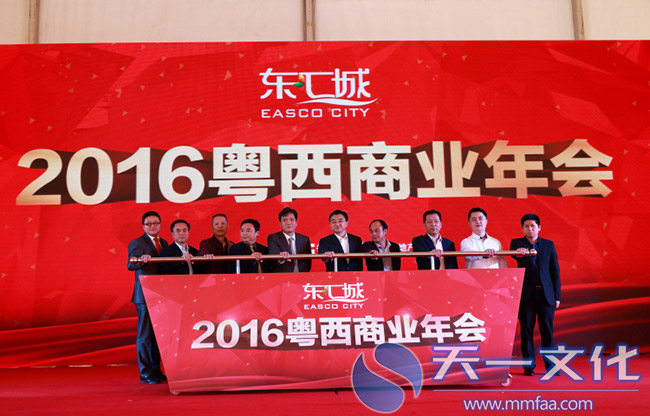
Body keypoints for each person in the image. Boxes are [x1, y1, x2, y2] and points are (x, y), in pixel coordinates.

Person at [511, 213, 561, 376]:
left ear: (539, 227)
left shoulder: (548, 245)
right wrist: (518, 251)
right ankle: (529, 367)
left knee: (547, 330)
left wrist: (557, 296)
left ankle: (551, 366)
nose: (530, 229)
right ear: (522, 228)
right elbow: (513, 254)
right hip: (526, 296)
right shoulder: (517, 243)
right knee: (526, 330)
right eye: (526, 226)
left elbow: (555, 271)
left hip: (546, 295)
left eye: (533, 225)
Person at [126, 211, 168, 384]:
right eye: (149, 223)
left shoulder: (164, 243)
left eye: (156, 223)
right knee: (144, 337)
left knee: (157, 337)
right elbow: (130, 264)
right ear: (143, 226)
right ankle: (145, 373)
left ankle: (155, 370)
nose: (153, 226)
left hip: (160, 296)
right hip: (144, 296)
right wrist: (142, 260)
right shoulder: (137, 243)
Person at [267, 207, 312, 272]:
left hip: (301, 275)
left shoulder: (304, 239)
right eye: (285, 220)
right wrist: (281, 258)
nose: (288, 223)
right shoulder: (274, 237)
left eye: (291, 219)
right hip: (282, 275)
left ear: (296, 222)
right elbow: (274, 255)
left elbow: (308, 262)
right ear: (280, 223)